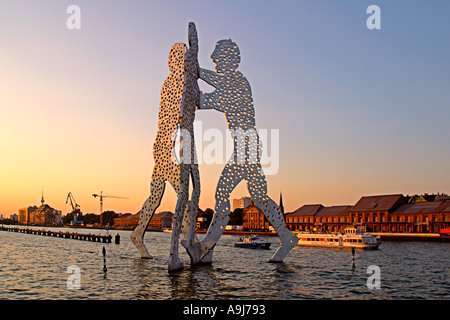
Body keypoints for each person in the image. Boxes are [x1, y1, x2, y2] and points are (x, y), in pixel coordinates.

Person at [198, 39, 298, 263]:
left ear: (228, 59)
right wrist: (195, 83)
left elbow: (212, 98)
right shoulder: (230, 83)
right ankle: (286, 236)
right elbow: (207, 99)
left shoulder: (238, 82)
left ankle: (207, 247)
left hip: (246, 147)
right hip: (249, 146)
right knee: (260, 198)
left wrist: (195, 72)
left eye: (217, 57)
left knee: (222, 194)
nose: (213, 61)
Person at [130, 42, 186, 259]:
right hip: (166, 146)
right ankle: (190, 239)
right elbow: (182, 112)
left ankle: (138, 233)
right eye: (182, 61)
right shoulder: (173, 83)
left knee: (155, 196)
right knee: (183, 194)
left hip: (164, 144)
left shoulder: (172, 82)